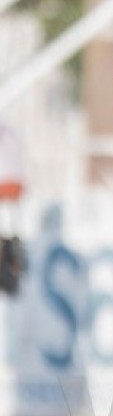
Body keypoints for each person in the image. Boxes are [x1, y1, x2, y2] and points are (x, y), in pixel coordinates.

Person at [0, 120, 26, 295]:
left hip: (5, 183)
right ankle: (12, 271)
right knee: (10, 230)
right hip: (15, 185)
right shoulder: (9, 130)